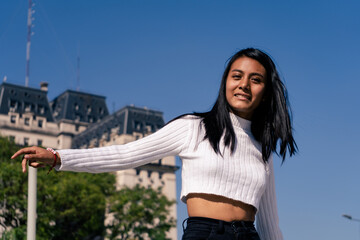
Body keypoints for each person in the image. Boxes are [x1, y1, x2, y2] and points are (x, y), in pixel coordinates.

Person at [12, 48, 297, 240]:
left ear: (265, 91)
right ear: (225, 82)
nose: (244, 85)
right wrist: (59, 157)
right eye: (237, 76)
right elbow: (126, 154)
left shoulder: (263, 149)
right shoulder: (193, 128)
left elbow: (270, 224)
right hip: (204, 233)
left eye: (255, 79)